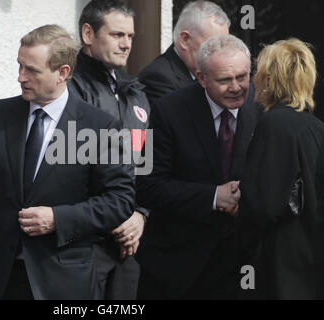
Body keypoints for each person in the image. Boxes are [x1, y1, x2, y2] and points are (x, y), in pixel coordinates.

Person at [0, 24, 135, 300]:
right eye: (20, 66)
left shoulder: (99, 126)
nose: (20, 77)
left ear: (63, 73)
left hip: (62, 279)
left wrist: (58, 219)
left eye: (32, 70)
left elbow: (118, 201)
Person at [136, 34, 261, 299]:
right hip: (176, 267)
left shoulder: (261, 109)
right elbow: (146, 185)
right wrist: (213, 196)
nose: (237, 87)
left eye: (242, 76)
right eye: (225, 80)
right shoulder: (168, 111)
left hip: (240, 267)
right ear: (201, 78)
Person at [68, 0, 149, 299]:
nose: (126, 44)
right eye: (117, 35)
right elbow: (68, 168)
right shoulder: (68, 89)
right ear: (88, 34)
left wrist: (140, 215)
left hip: (129, 243)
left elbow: (146, 163)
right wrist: (114, 217)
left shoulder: (136, 92)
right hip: (84, 245)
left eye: (130, 36)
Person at [239, 38, 324, 299]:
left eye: (257, 72)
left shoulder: (273, 125)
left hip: (281, 267)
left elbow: (263, 203)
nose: (252, 80)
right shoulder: (316, 127)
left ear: (269, 79)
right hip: (311, 264)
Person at [138, 0, 229, 106]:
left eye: (224, 46)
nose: (221, 54)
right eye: (213, 46)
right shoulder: (158, 78)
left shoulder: (208, 74)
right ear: (185, 40)